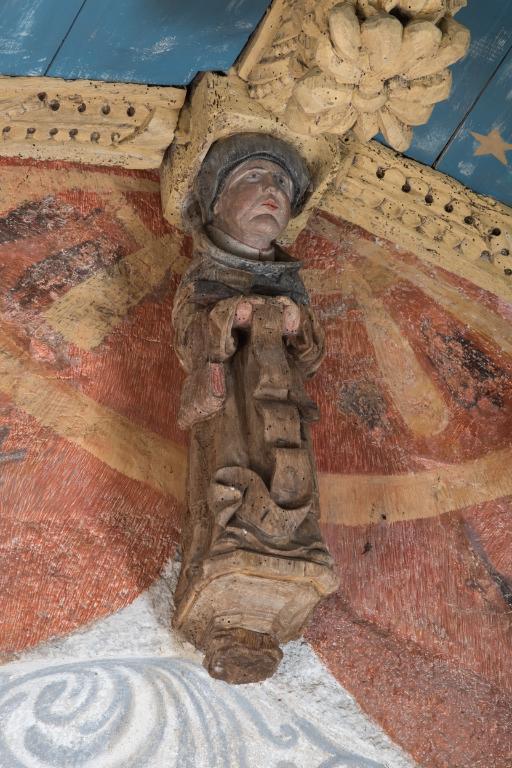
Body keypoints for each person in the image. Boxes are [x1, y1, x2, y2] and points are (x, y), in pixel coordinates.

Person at [172, 133, 335, 682]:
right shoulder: (205, 272)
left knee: (291, 464)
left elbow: (312, 353)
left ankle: (295, 538)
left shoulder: (291, 281)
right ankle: (234, 535)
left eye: (282, 184)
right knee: (235, 460)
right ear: (217, 202)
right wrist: (226, 320)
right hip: (233, 404)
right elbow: (188, 339)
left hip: (282, 398)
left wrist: (298, 326)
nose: (273, 192)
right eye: (253, 178)